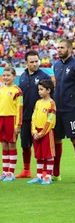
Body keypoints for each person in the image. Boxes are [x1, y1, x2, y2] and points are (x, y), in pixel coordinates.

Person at [53, 39, 75, 183]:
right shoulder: (57, 65)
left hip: (71, 109)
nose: (59, 50)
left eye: (62, 48)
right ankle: (55, 173)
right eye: (58, 47)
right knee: (56, 140)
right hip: (58, 109)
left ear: (70, 49)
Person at [16, 50, 51, 178]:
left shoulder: (45, 76)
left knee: (41, 146)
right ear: (26, 63)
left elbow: (49, 97)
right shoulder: (23, 76)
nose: (35, 64)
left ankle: (43, 172)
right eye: (32, 62)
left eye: (37, 61)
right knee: (25, 144)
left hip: (40, 117)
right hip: (25, 116)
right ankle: (26, 170)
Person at [27, 80, 56, 185]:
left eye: (41, 89)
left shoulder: (51, 103)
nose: (39, 91)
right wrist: (34, 131)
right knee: (39, 154)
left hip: (46, 132)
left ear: (48, 90)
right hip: (37, 132)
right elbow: (33, 117)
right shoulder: (38, 102)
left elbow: (50, 119)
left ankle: (48, 176)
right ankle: (39, 176)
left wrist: (42, 133)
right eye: (38, 89)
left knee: (48, 155)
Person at [0, 67, 22, 181]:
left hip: (11, 120)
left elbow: (19, 108)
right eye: (4, 75)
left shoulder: (17, 90)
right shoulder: (1, 89)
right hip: (1, 119)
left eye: (8, 75)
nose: (6, 77)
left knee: (11, 145)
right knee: (4, 145)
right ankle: (4, 171)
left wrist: (18, 125)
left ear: (14, 76)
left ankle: (11, 173)